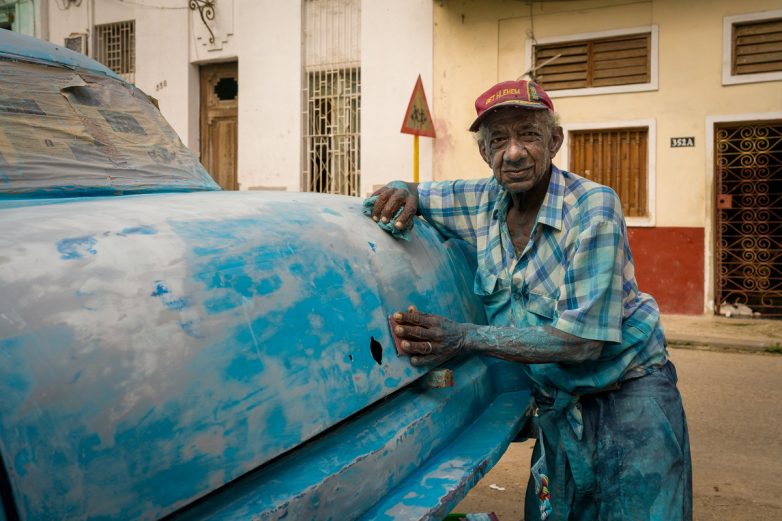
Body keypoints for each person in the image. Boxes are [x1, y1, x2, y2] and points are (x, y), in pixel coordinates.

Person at [367, 80, 692, 521]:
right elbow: (418, 193)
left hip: (629, 398)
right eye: (498, 140)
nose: (514, 152)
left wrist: (464, 338)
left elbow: (581, 343)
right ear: (485, 153)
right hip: (558, 407)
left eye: (529, 134)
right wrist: (402, 188)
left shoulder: (593, 207)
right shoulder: (482, 199)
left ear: (554, 141)